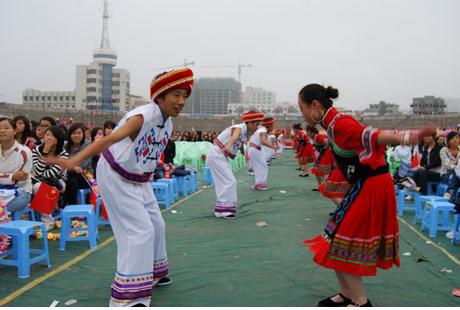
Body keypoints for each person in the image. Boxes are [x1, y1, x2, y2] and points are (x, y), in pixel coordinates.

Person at [44, 68, 194, 307]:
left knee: (157, 224)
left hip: (139, 178)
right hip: (115, 174)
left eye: (185, 95)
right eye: (176, 94)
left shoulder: (168, 123)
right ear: (161, 96)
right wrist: (74, 160)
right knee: (140, 231)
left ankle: (153, 274)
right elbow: (108, 140)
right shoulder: (143, 116)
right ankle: (128, 297)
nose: (182, 101)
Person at [298, 83, 433, 307]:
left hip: (372, 186)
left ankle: (360, 302)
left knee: (345, 244)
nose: (301, 113)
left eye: (301, 107)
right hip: (362, 184)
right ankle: (346, 294)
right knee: (332, 241)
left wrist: (410, 137)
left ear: (315, 105)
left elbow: (372, 137)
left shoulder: (341, 123)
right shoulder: (331, 125)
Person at [207, 111, 263, 218]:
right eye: (256, 124)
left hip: (218, 155)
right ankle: (225, 210)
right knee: (230, 181)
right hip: (217, 154)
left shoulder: (244, 130)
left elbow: (239, 140)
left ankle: (221, 209)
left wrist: (241, 150)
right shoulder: (240, 127)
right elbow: (235, 135)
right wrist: (229, 145)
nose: (257, 127)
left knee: (224, 182)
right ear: (249, 123)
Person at [32, 126, 68, 229]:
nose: (49, 138)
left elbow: (52, 174)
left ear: (59, 139)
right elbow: (37, 172)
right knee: (32, 187)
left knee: (39, 187)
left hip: (58, 182)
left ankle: (47, 221)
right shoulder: (37, 150)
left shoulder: (63, 154)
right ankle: (25, 219)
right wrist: (45, 151)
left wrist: (40, 173)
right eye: (47, 135)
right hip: (37, 181)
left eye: (52, 136)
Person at [0, 117, 33, 215]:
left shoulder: (24, 152)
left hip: (20, 191)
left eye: (6, 128)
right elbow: (15, 177)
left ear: (14, 131)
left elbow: (21, 178)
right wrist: (12, 176)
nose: (2, 131)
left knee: (1, 209)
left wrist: (10, 178)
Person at [63, 123, 92, 205]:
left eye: (79, 133)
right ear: (70, 135)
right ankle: (73, 207)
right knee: (73, 181)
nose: (76, 135)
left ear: (83, 134)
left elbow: (82, 165)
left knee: (73, 177)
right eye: (73, 133)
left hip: (86, 176)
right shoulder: (65, 146)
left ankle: (66, 204)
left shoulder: (88, 146)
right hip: (71, 176)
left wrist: (71, 166)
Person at [248, 116, 278, 190]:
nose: (273, 127)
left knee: (260, 166)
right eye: (273, 125)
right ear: (270, 125)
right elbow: (263, 141)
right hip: (255, 149)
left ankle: (259, 183)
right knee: (262, 166)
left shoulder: (261, 129)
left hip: (254, 149)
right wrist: (273, 147)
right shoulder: (263, 130)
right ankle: (260, 184)